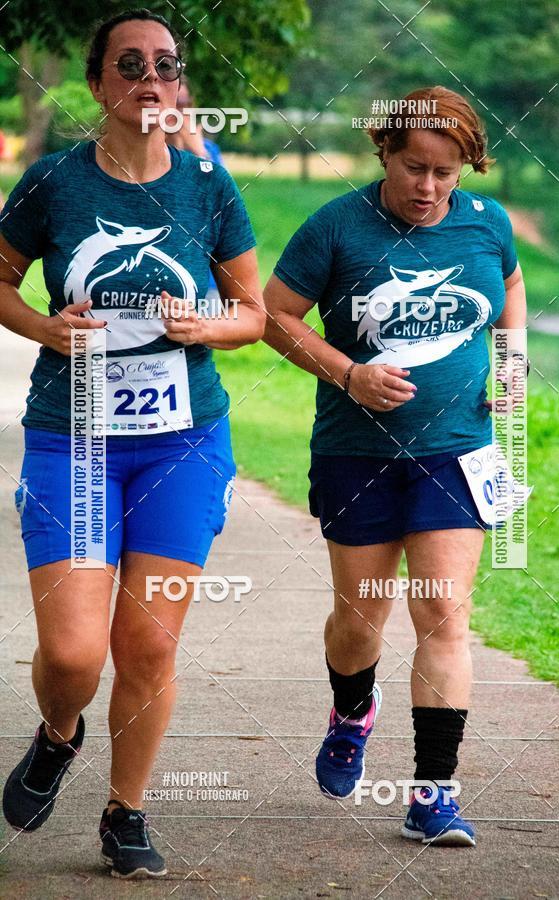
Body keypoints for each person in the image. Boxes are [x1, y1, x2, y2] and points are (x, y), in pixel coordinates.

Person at [0, 8, 264, 878]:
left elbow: (254, 316)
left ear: (178, 84)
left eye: (166, 65)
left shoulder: (205, 186)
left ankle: (126, 811)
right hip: (71, 439)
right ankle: (57, 731)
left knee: (147, 645)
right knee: (73, 655)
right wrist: (45, 326)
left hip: (181, 441)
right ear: (98, 85)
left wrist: (206, 328)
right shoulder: (53, 184)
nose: (152, 80)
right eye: (131, 65)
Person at [263, 85, 526, 847]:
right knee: (359, 619)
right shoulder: (338, 226)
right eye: (415, 167)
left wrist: (512, 361)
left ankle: (432, 793)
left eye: (446, 173)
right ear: (384, 150)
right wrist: (348, 374)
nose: (429, 188)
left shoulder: (487, 225)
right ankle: (352, 710)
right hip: (357, 453)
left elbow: (508, 283)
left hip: (459, 453)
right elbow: (273, 317)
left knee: (443, 613)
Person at [166, 76, 225, 309]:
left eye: (185, 104)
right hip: (160, 281)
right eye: (174, 103)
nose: (180, 112)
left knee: (201, 343)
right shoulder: (146, 155)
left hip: (205, 278)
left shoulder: (208, 151)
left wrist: (198, 151)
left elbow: (226, 209)